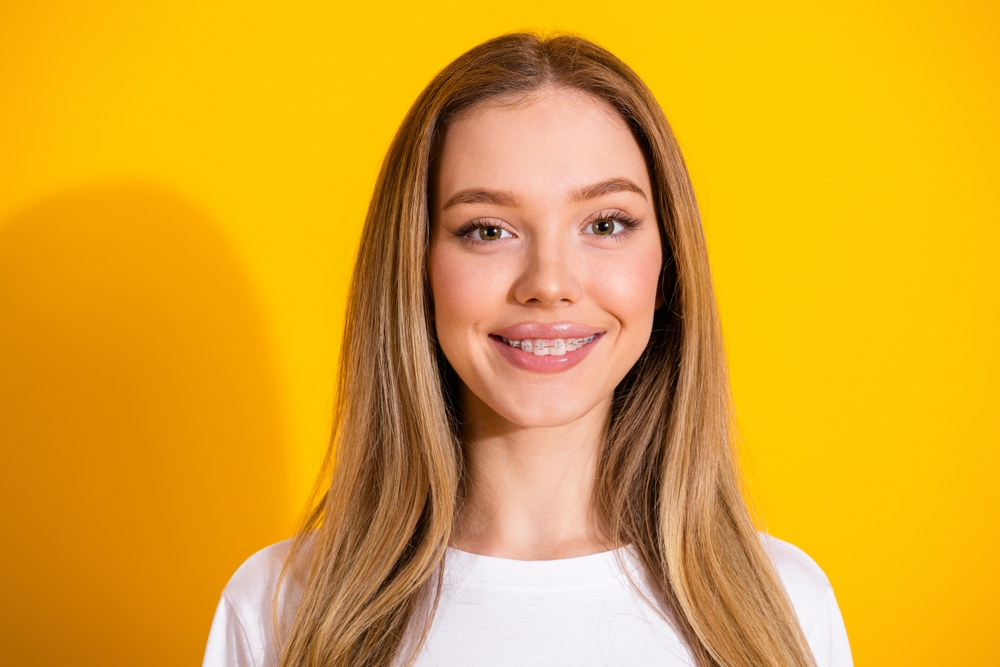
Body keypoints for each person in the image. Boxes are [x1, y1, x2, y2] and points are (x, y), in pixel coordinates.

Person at [203, 32, 852, 667]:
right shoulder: (277, 610)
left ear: (668, 266)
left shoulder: (785, 606)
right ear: (416, 267)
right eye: (488, 229)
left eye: (605, 224)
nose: (548, 283)